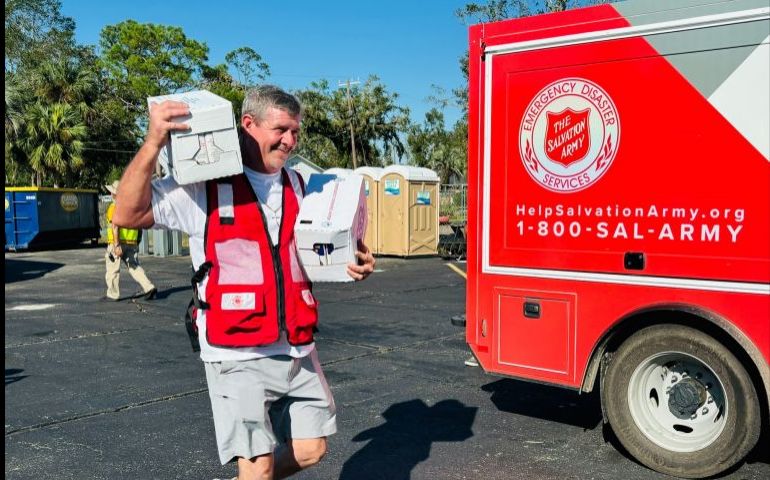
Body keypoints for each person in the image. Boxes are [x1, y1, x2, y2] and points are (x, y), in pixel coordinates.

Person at [112, 85, 375, 480]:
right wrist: (153, 142)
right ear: (249, 125)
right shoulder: (204, 187)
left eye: (296, 131)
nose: (290, 140)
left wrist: (355, 259)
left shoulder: (302, 186)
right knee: (259, 467)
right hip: (236, 351)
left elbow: (326, 246)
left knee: (311, 449)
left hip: (297, 345)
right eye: (282, 129)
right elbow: (127, 214)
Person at [103, 180, 157, 301]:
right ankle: (149, 287)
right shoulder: (132, 208)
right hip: (131, 243)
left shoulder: (113, 207)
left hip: (117, 243)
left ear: (114, 194)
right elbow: (139, 225)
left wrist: (116, 245)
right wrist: (137, 241)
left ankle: (113, 294)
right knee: (134, 266)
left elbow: (115, 227)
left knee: (112, 269)